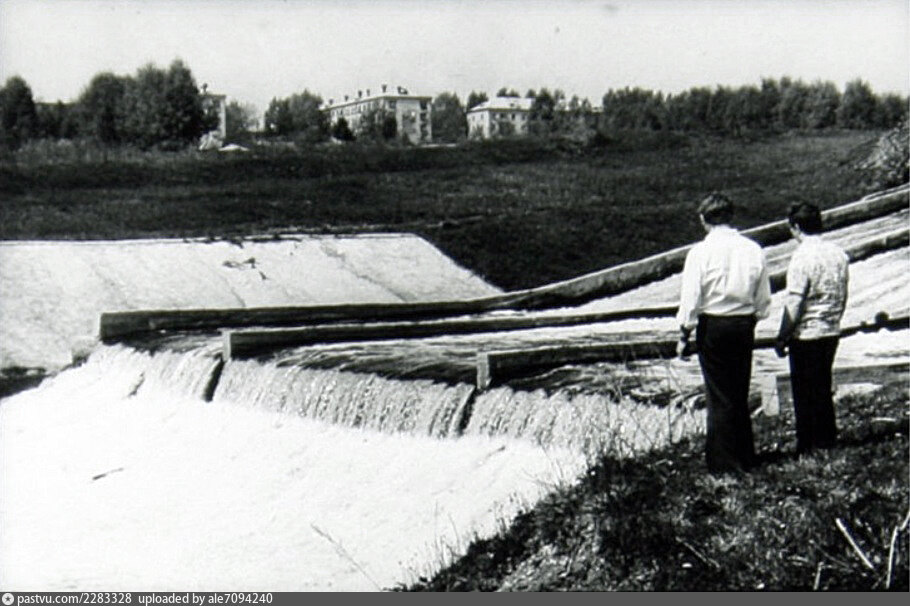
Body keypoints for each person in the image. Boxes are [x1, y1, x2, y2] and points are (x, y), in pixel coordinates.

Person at [676, 193, 772, 474]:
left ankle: (723, 463)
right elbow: (763, 298)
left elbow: (691, 299)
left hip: (714, 325)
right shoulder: (753, 249)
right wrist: (753, 318)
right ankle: (745, 456)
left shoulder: (699, 253)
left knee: (719, 394)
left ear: (704, 220)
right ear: (731, 217)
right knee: (739, 389)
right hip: (743, 323)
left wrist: (684, 334)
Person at [774, 203, 849, 455]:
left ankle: (808, 445)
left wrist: (783, 335)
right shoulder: (838, 253)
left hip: (807, 331)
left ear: (796, 227)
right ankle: (827, 440)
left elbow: (795, 302)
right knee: (822, 387)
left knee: (805, 392)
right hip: (831, 327)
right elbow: (843, 293)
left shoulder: (801, 257)